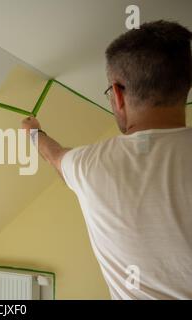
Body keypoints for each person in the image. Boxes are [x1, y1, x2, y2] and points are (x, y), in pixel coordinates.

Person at [22, 20, 192, 300]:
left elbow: (53, 156)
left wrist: (32, 133)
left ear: (117, 93)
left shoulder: (90, 165)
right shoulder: (89, 166)